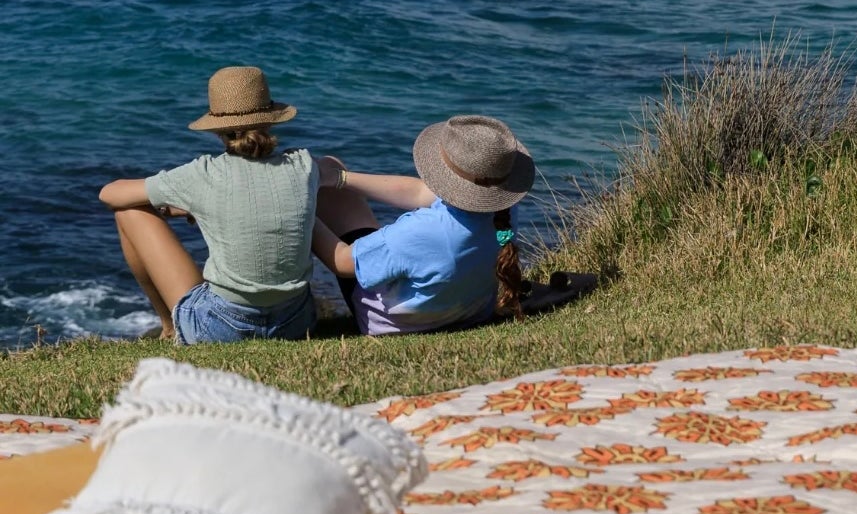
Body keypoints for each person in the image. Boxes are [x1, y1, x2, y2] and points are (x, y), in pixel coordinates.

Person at [98, 66, 318, 343]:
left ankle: (169, 326)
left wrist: (184, 203)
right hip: (296, 323)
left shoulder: (202, 174)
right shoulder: (305, 166)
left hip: (221, 328)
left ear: (217, 129)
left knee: (129, 211)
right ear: (271, 119)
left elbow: (109, 193)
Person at [310, 115, 535, 336]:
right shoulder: (503, 211)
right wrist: (341, 178)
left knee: (329, 177)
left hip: (392, 323)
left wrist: (301, 213)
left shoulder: (421, 231)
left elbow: (342, 262)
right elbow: (419, 192)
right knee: (332, 169)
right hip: (465, 312)